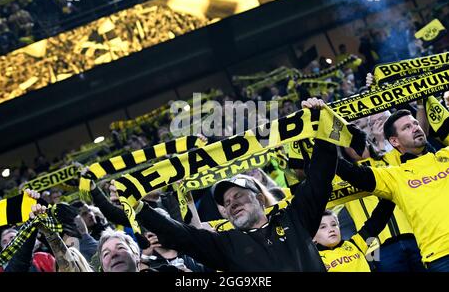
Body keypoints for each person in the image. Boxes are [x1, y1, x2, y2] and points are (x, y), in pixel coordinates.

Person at [132, 102, 340, 271]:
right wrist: (137, 207)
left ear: (259, 198)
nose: (231, 204)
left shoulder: (294, 218)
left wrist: (322, 126)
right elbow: (180, 235)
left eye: (238, 196)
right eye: (227, 202)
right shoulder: (225, 245)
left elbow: (319, 180)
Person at [336, 108, 449, 271]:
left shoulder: (389, 161)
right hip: (372, 243)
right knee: (377, 266)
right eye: (349, 141)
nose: (355, 142)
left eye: (359, 134)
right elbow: (328, 168)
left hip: (411, 236)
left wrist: (380, 137)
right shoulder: (342, 176)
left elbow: (408, 142)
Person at [314, 199, 395, 272]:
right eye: (323, 227)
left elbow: (377, 221)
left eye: (334, 224)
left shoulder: (356, 244)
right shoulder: (312, 259)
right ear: (313, 237)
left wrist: (391, 195)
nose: (331, 229)